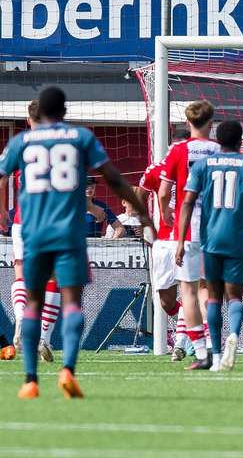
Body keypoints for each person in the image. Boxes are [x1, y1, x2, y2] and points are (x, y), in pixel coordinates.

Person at [0, 86, 154, 399]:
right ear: (65, 111)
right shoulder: (80, 138)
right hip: (68, 230)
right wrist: (141, 214)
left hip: (32, 229)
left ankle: (30, 380)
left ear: (37, 112)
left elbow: (1, 175)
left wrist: (2, 209)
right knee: (72, 300)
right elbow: (113, 178)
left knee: (31, 301)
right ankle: (67, 370)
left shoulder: (21, 141)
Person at [176, 120, 243, 372]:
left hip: (210, 241)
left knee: (214, 298)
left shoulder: (203, 165)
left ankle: (215, 357)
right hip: (237, 240)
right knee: (235, 297)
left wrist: (182, 240)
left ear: (218, 140)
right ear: (240, 141)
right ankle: (235, 336)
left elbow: (186, 202)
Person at [158, 100, 221, 369]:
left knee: (189, 291)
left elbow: (163, 192)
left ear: (188, 123)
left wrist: (165, 213)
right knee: (209, 290)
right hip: (219, 228)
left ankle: (200, 350)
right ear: (211, 123)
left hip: (190, 229)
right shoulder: (221, 151)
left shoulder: (179, 151)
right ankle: (212, 344)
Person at [7, 100, 64, 365]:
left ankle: (20, 316)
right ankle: (43, 336)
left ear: (28, 120)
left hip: (23, 219)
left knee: (21, 272)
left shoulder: (18, 145)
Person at [137, 129, 193, 361]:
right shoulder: (156, 170)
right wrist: (146, 224)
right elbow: (139, 196)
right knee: (166, 301)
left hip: (190, 238)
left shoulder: (196, 170)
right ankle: (192, 327)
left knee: (190, 291)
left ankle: (181, 342)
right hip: (163, 242)